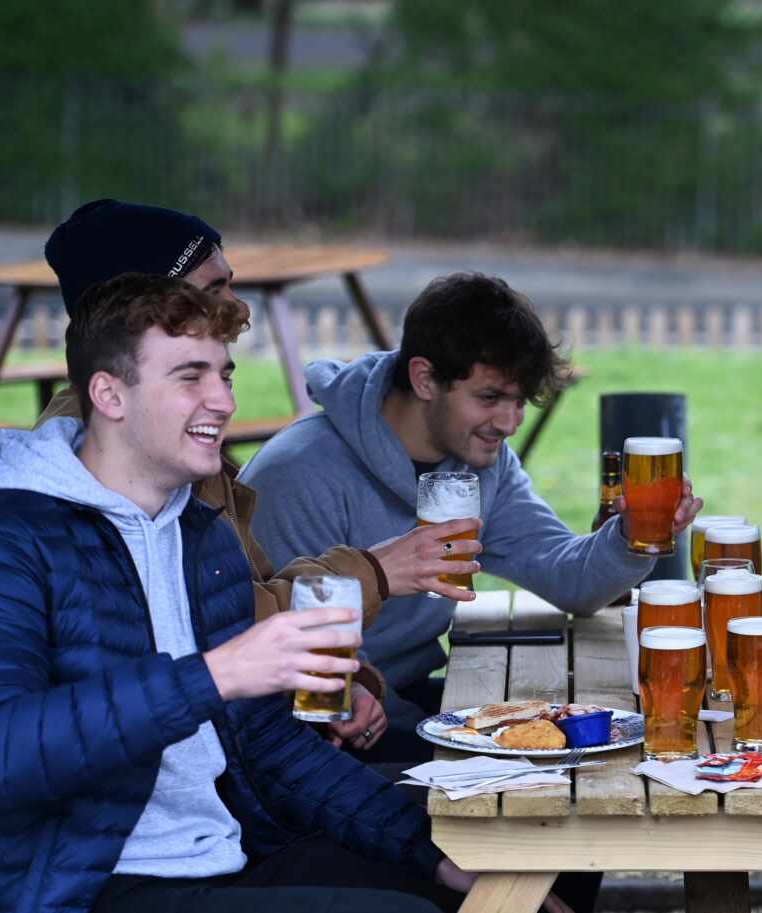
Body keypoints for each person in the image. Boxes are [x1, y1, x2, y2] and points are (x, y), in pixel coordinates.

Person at [0, 274, 570, 913]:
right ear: (109, 394)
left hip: (227, 846)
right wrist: (214, 675)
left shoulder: (197, 533)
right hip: (85, 881)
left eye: (225, 375)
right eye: (190, 377)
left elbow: (268, 744)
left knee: (522, 859)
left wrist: (432, 854)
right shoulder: (11, 535)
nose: (223, 402)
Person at [40, 198, 476, 757]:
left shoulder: (165, 429)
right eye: (213, 289)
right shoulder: (105, 458)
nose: (238, 309)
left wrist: (340, 677)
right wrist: (375, 571)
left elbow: (246, 592)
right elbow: (216, 633)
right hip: (208, 793)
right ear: (143, 311)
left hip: (263, 755)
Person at [240, 272, 703, 759]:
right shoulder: (299, 472)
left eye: (519, 401)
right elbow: (289, 662)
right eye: (489, 398)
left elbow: (569, 579)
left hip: (413, 700)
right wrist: (455, 735)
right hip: (319, 732)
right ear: (424, 378)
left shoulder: (480, 461)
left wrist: (629, 535)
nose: (508, 422)